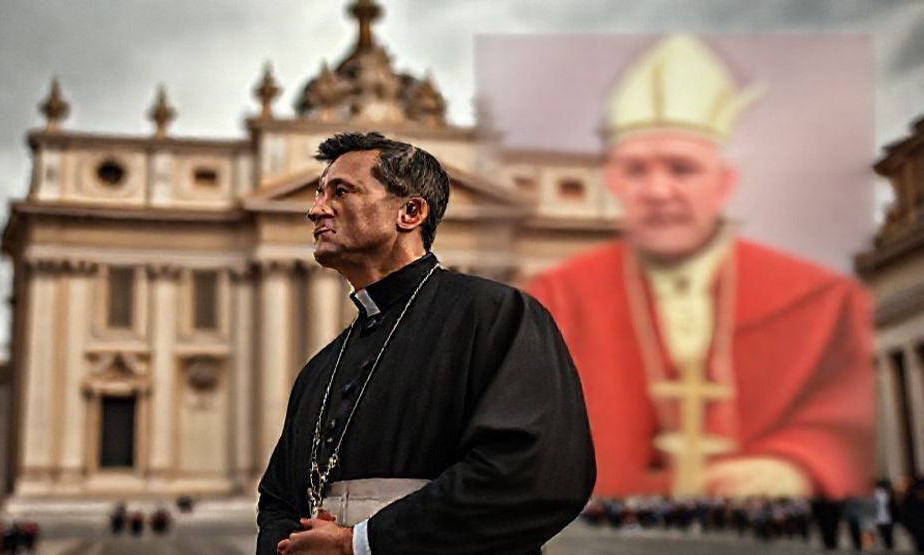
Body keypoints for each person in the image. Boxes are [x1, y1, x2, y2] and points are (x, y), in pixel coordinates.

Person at [527, 34, 873, 500]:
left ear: (725, 180)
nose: (659, 191)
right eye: (636, 171)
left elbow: (842, 408)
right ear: (611, 182)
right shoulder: (559, 291)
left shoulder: (816, 297)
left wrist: (794, 463)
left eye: (681, 169)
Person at [256, 132, 595, 554]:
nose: (315, 210)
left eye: (340, 191)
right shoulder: (322, 366)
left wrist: (360, 544)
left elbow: (536, 473)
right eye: (319, 193)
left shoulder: (496, 315)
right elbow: (277, 498)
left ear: (410, 211)